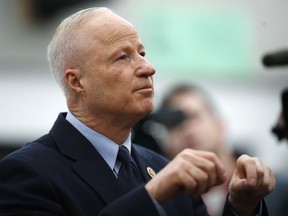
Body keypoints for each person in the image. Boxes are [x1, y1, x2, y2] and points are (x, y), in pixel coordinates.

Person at [0, 7, 275, 216]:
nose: (148, 67)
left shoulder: (164, 167)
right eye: (123, 57)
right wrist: (152, 195)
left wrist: (242, 206)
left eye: (142, 53)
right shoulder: (26, 172)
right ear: (77, 81)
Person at [159, 83, 288, 216]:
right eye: (175, 122)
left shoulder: (277, 189)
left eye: (194, 117)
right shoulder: (164, 201)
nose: (186, 128)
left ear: (220, 125)